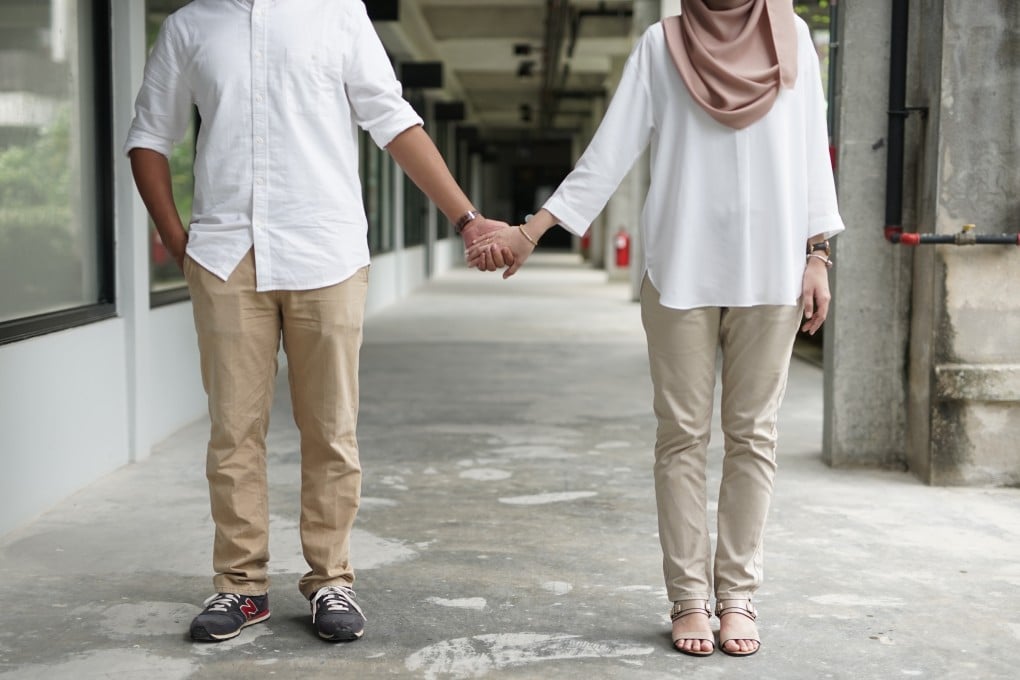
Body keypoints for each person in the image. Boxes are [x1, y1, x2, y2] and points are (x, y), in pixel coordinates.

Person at [125, 0, 510, 643]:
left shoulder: (338, 14)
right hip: (226, 257)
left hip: (325, 251)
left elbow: (394, 121)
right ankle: (240, 587)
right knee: (232, 433)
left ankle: (331, 579)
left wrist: (467, 219)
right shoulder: (191, 25)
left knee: (331, 429)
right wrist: (179, 239)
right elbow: (148, 137)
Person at [470, 0, 843, 658]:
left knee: (753, 435)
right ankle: (688, 597)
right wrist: (533, 230)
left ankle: (738, 595)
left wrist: (817, 254)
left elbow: (813, 148)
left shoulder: (796, 41)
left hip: (772, 270)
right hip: (682, 272)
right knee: (682, 437)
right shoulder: (661, 44)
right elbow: (609, 153)